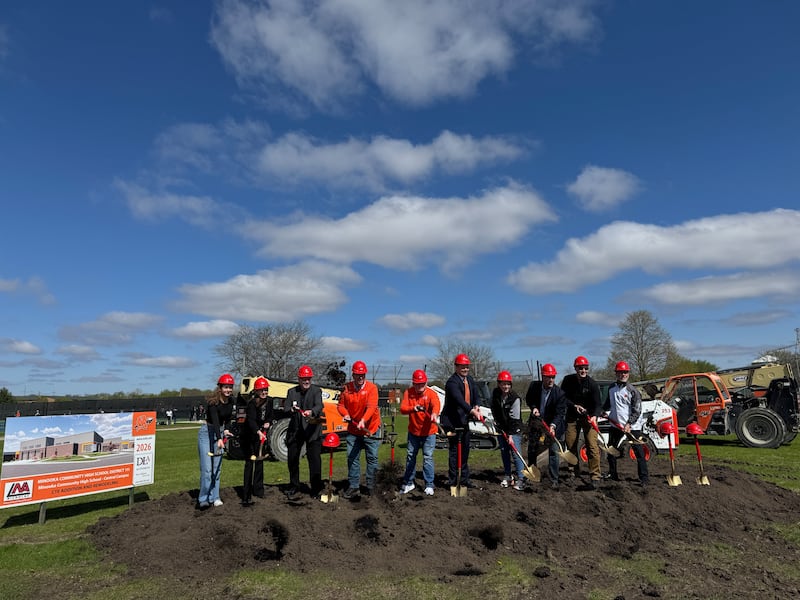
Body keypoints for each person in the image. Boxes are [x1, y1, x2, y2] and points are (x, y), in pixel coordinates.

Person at [337, 360, 381, 499]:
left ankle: (371, 486)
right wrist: (346, 414)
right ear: (353, 375)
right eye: (357, 374)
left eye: (362, 374)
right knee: (352, 458)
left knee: (372, 458)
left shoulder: (372, 388)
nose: (360, 377)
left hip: (370, 429)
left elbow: (371, 407)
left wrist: (363, 420)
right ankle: (354, 486)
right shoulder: (346, 389)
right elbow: (340, 405)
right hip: (353, 430)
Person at [604, 361, 649, 488]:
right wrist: (601, 411)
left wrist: (629, 423)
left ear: (628, 374)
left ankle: (644, 478)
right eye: (620, 372)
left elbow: (637, 410)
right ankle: (612, 474)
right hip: (615, 425)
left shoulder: (633, 391)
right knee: (611, 450)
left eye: (625, 372)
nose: (623, 374)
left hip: (632, 427)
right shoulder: (611, 388)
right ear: (616, 373)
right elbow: (608, 404)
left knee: (639, 452)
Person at [561, 355, 603, 489]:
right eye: (580, 368)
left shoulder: (592, 384)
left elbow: (598, 404)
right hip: (572, 417)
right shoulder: (568, 381)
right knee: (571, 443)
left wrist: (595, 416)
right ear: (575, 368)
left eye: (585, 368)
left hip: (588, 418)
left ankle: (595, 476)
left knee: (592, 446)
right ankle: (574, 472)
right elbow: (563, 398)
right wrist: (574, 406)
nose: (583, 370)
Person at [441, 353, 481, 489]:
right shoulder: (452, 382)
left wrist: (477, 405)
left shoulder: (469, 380)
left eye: (467, 367)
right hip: (452, 421)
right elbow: (459, 400)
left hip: (464, 421)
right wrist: (472, 411)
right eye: (462, 367)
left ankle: (464, 479)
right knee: (454, 451)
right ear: (456, 367)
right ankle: (452, 480)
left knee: (465, 450)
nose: (465, 369)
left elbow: (476, 395)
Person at [283, 365, 324, 499]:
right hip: (296, 430)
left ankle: (316, 489)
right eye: (303, 379)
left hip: (312, 430)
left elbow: (319, 405)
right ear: (299, 379)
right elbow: (286, 407)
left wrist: (311, 412)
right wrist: (292, 410)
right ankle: (294, 485)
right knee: (292, 459)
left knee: (314, 460)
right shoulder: (291, 392)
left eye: (308, 379)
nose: (306, 381)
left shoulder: (316, 391)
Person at [525, 363, 568, 489]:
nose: (551, 380)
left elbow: (560, 413)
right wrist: (534, 408)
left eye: (553, 377)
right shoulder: (534, 386)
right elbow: (529, 399)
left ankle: (553, 479)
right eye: (548, 377)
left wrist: (553, 426)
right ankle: (532, 474)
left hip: (552, 425)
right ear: (542, 377)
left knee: (553, 451)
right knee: (532, 449)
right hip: (536, 423)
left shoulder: (559, 394)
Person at [399, 369, 441, 496]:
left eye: (422, 384)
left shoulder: (431, 394)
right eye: (417, 384)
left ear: (426, 382)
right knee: (411, 456)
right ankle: (409, 482)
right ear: (413, 383)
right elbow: (403, 409)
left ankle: (429, 484)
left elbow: (436, 405)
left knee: (428, 457)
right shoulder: (408, 393)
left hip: (429, 432)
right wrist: (414, 408)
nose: (419, 387)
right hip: (414, 432)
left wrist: (434, 414)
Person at [197, 373, 234, 508]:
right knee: (207, 470)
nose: (228, 390)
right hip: (207, 433)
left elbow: (228, 419)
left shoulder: (231, 401)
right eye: (225, 387)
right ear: (220, 388)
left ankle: (215, 497)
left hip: (219, 433)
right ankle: (203, 498)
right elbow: (216, 421)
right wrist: (219, 438)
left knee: (216, 469)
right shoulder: (213, 403)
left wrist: (227, 430)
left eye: (230, 387)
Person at [490, 370, 526, 490]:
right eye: (503, 384)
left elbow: (514, 418)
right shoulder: (496, 394)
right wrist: (496, 421)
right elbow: (494, 407)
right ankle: (508, 475)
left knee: (515, 453)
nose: (505, 386)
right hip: (502, 428)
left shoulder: (514, 398)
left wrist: (511, 435)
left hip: (514, 428)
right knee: (504, 451)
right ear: (499, 384)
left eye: (508, 384)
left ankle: (521, 478)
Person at [241, 377, 273, 506]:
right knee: (250, 463)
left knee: (260, 461)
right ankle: (246, 495)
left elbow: (270, 415)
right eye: (262, 390)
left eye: (266, 389)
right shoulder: (251, 403)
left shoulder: (270, 401)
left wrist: (268, 422)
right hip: (249, 435)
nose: (264, 392)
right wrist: (258, 432)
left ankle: (258, 490)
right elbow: (251, 420)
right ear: (256, 391)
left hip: (261, 435)